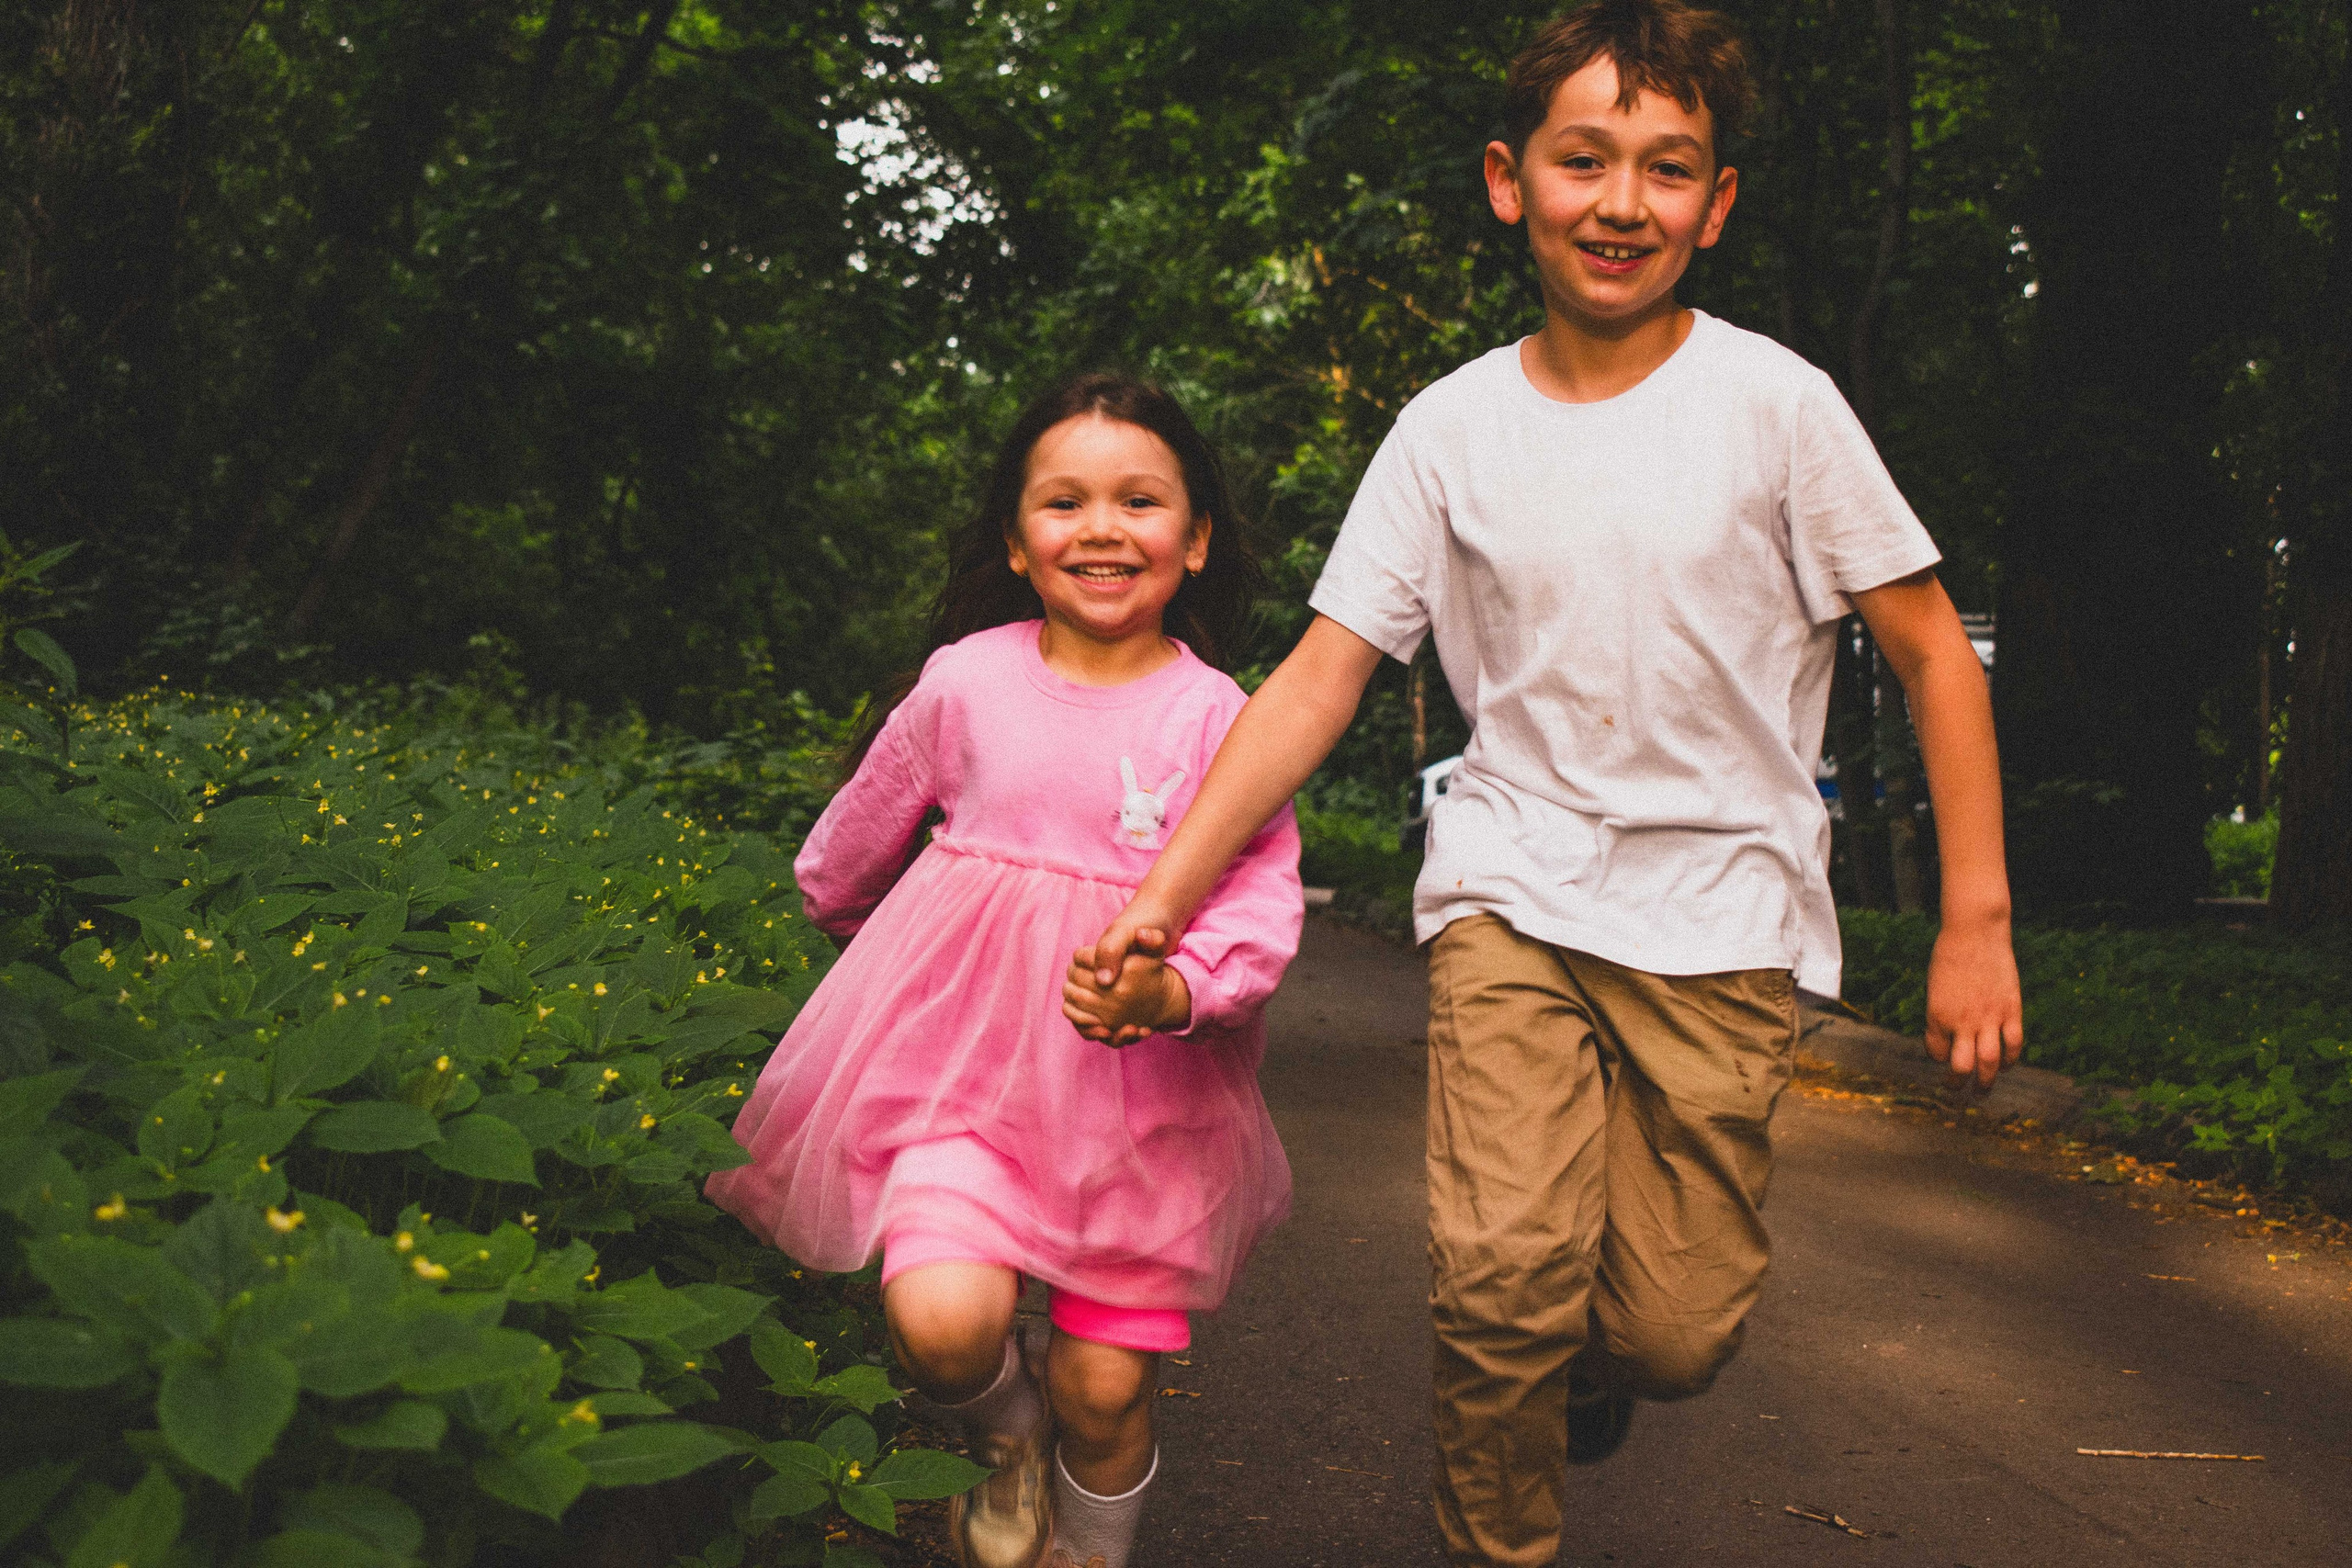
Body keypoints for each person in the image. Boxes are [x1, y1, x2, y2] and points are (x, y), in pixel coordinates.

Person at [1066, 4, 2025, 1564]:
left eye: (1667, 168)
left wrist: (1974, 923)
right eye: (1585, 160)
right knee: (1501, 1275)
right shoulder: (1449, 431)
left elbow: (1933, 652)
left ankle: (1588, 1361)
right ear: (1512, 182)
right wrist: (1162, 901)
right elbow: (1320, 676)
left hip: (1723, 924)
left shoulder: (1779, 408)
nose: (1622, 201)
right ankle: (1497, 1536)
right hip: (1510, 894)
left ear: (1715, 205)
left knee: (1673, 1332)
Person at [707, 372, 1301, 1568]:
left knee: (1104, 1391)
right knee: (941, 1327)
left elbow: (1258, 901)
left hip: (1143, 1113)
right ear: (1019, 545)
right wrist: (887, 948)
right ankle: (1003, 1434)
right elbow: (850, 851)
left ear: (1195, 542)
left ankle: (1089, 1546)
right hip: (957, 1085)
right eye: (1064, 502)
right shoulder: (965, 682)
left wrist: (1178, 990)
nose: (1100, 528)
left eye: (1139, 501)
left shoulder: (1219, 719)